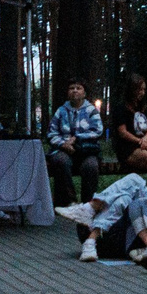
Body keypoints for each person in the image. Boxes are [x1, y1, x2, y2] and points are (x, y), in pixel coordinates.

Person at [46, 79, 106, 209]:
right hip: (64, 150)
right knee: (60, 161)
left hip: (86, 150)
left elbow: (97, 130)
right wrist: (63, 144)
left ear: (84, 93)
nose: (75, 91)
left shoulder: (91, 111)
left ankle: (88, 204)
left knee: (91, 166)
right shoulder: (61, 111)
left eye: (78, 88)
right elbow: (51, 133)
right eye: (71, 88)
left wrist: (77, 138)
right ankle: (68, 203)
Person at [112, 73, 147, 176]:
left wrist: (145, 139)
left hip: (144, 143)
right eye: (139, 90)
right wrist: (139, 141)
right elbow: (123, 132)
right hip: (128, 148)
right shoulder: (121, 108)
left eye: (143, 90)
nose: (142, 93)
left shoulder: (142, 107)